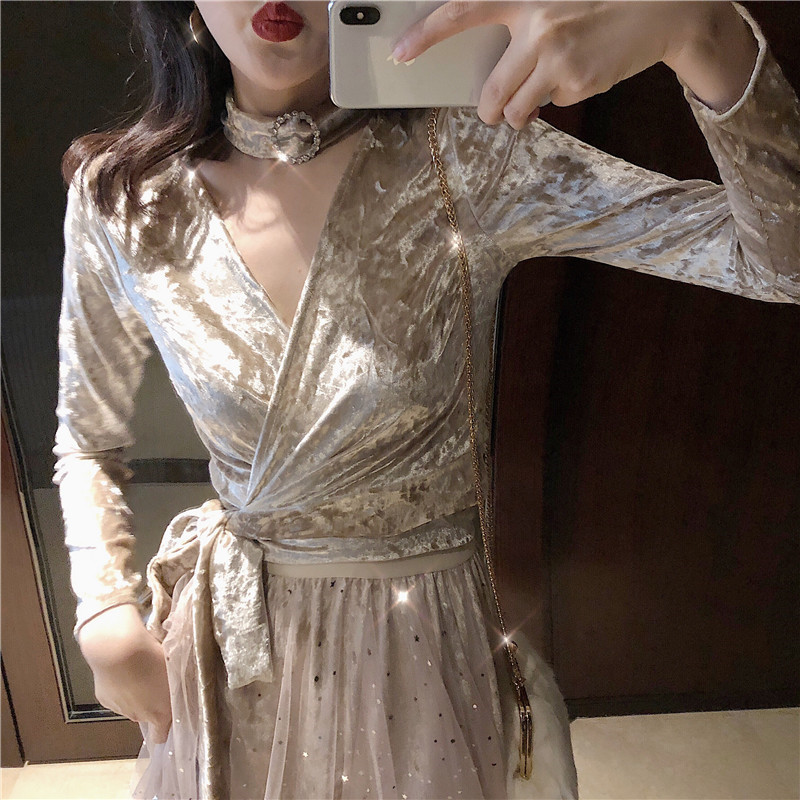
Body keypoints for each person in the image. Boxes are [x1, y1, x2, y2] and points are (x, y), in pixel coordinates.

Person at [53, 2, 799, 798]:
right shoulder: (127, 199)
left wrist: (701, 31)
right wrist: (103, 606)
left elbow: (780, 264)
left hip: (419, 657)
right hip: (235, 657)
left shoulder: (466, 160)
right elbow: (86, 437)